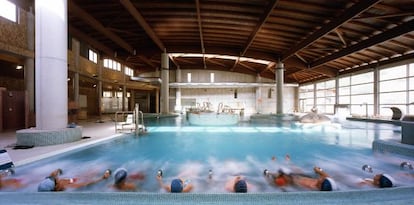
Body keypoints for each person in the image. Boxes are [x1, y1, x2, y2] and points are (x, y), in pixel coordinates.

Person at [265, 166, 337, 191]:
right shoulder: (321, 183)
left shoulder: (313, 187)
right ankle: (269, 174)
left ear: (321, 185)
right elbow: (327, 176)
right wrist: (318, 170)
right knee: (294, 170)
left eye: (323, 179)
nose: (323, 178)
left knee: (281, 174)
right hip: (299, 177)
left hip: (292, 181)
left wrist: (287, 175)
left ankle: (268, 176)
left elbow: (294, 183)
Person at [38, 168, 111, 191]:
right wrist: (102, 178)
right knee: (93, 172)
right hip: (78, 180)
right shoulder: (66, 187)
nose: (56, 178)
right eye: (54, 179)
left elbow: (52, 175)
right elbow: (86, 184)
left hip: (73, 178)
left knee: (93, 171)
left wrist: (58, 170)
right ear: (55, 186)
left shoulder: (51, 182)